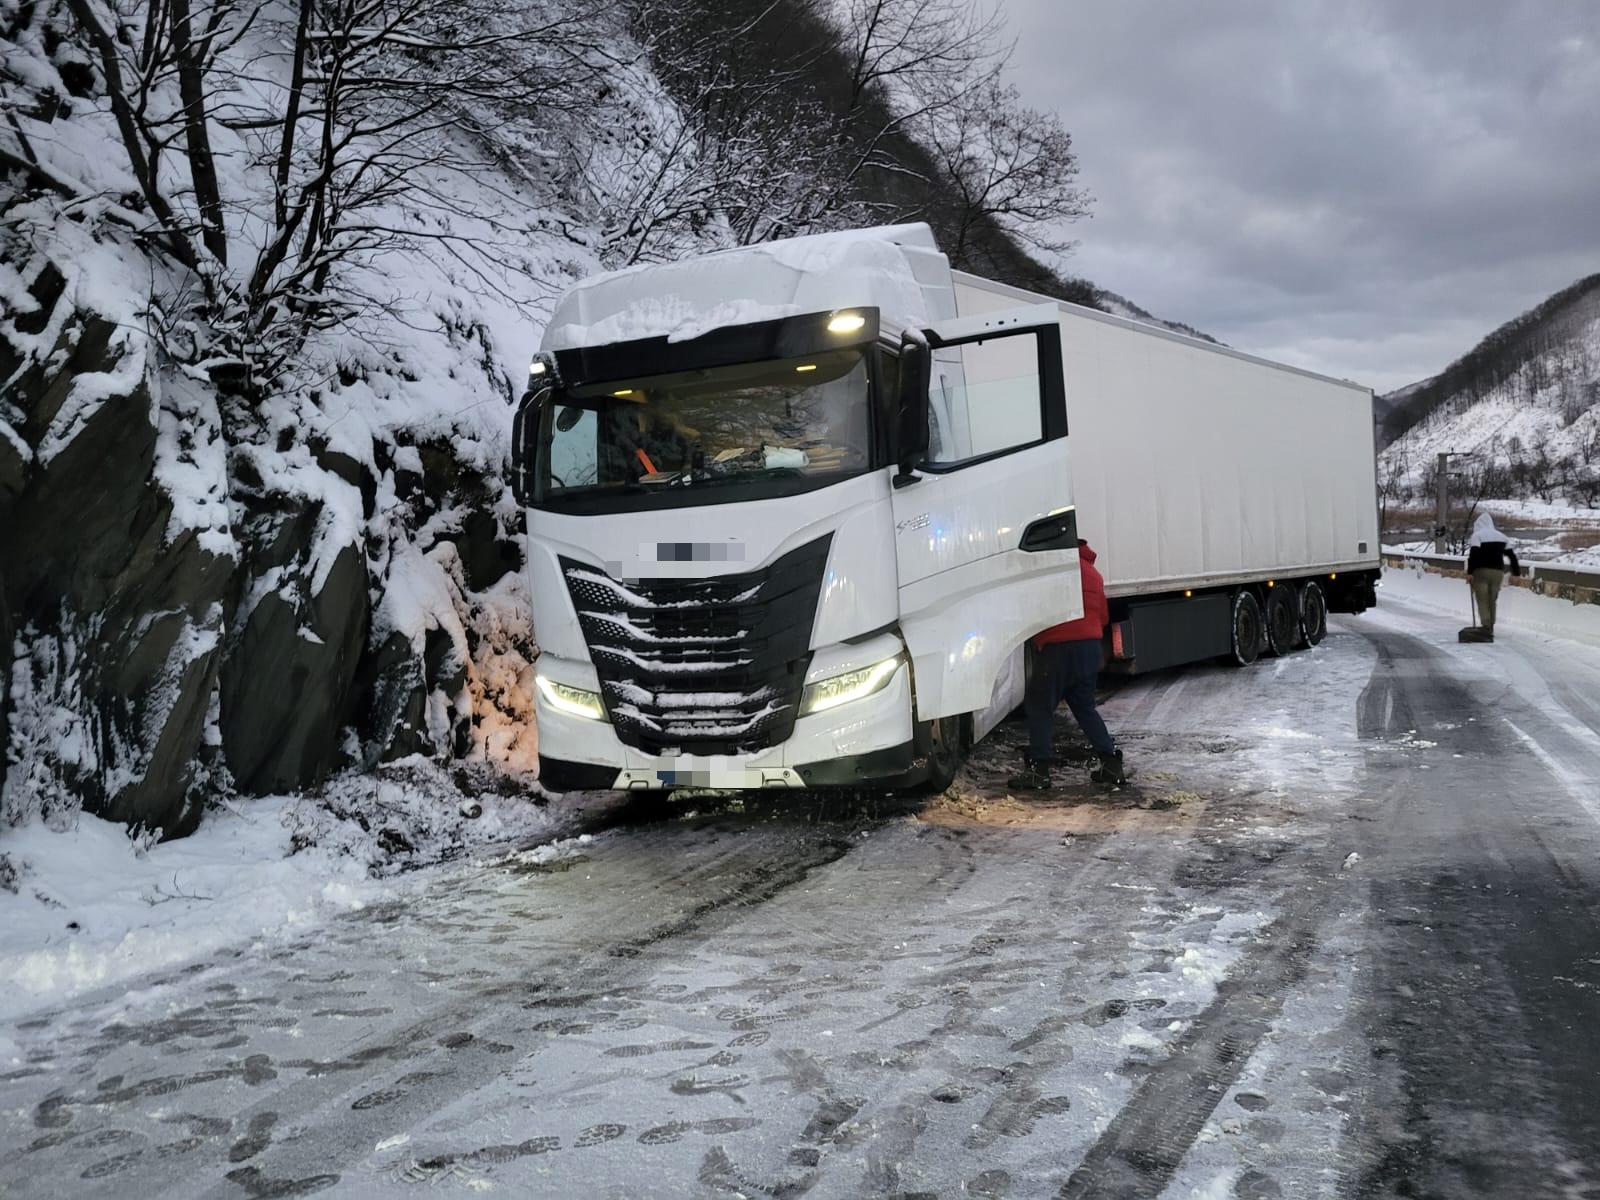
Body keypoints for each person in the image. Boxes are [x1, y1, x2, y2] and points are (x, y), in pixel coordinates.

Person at [1009, 539, 1125, 790]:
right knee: (1084, 707)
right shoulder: (1093, 574)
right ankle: (1111, 764)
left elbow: (1036, 610)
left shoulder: (1055, 572)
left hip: (1059, 649)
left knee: (1039, 706)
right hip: (1089, 648)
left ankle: (1039, 771)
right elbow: (1103, 615)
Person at [1465, 513, 1521, 640]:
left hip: (1481, 571)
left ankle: (1485, 626)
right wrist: (1516, 573)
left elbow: (1473, 556)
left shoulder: (1477, 536)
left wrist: (1469, 573)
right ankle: (1491, 626)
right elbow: (1512, 556)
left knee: (1482, 599)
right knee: (1492, 599)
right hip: (1497, 573)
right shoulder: (1502, 537)